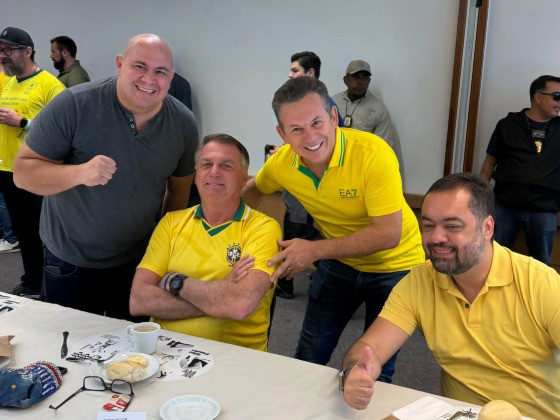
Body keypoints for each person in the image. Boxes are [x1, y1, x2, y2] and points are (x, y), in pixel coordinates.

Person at [243, 77, 424, 382]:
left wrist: (313, 250)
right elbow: (250, 193)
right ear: (282, 133)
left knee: (375, 366)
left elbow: (387, 234)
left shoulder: (372, 153)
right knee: (308, 356)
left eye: (317, 122)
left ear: (333, 117)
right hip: (341, 260)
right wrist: (249, 239)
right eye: (296, 129)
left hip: (397, 264)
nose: (310, 136)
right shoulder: (282, 164)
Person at [341, 173, 560, 419]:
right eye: (428, 225)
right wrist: (356, 372)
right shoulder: (420, 281)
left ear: (487, 228)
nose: (436, 238)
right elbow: (370, 348)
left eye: (452, 226)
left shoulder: (540, 283)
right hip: (460, 415)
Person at [13, 34, 199, 319]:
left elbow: (178, 191)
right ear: (120, 64)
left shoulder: (183, 123)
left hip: (138, 261)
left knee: (130, 356)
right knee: (66, 351)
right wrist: (79, 173)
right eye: (139, 66)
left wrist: (163, 250)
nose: (149, 79)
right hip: (70, 261)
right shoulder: (74, 104)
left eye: (160, 71)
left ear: (170, 77)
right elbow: (23, 173)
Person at [129, 134, 281, 351]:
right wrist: (221, 294)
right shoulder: (171, 222)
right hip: (165, 353)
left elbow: (239, 305)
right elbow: (139, 301)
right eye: (206, 164)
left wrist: (176, 282)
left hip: (234, 358)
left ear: (244, 178)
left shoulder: (263, 228)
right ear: (196, 174)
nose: (214, 171)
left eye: (226, 165)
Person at [0, 27, 65, 297]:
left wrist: (22, 122)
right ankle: (31, 282)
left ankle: (49, 286)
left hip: (36, 172)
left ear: (27, 51)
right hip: (7, 169)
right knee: (24, 233)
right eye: (0, 51)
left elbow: (63, 130)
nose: (3, 57)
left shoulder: (51, 85)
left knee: (42, 235)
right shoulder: (10, 82)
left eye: (8, 50)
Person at [273, 51, 340, 299]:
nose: (289, 75)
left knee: (301, 235)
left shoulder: (324, 105)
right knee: (297, 232)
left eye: (295, 70)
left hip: (311, 194)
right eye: (296, 128)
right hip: (299, 192)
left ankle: (290, 283)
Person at [480, 75, 560, 266]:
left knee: (541, 266)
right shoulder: (507, 125)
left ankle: (538, 297)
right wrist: (480, 200)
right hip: (505, 206)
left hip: (545, 209)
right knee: (494, 259)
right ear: (538, 96)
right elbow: (490, 163)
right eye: (557, 95)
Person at [332, 60, 396, 148]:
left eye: (365, 77)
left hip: (362, 160)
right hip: (335, 158)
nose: (360, 82)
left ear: (369, 81)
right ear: (345, 80)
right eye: (355, 76)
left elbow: (384, 147)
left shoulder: (379, 109)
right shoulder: (332, 102)